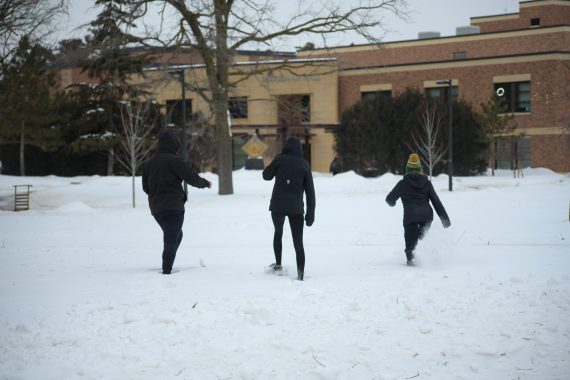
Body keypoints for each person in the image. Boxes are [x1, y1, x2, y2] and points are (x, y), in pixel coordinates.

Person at [142, 130, 211, 274]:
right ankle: (166, 271)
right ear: (174, 145)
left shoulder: (148, 163)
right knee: (171, 239)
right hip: (173, 208)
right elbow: (192, 178)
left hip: (156, 209)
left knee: (176, 236)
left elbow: (145, 187)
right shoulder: (174, 161)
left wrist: (156, 196)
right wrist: (205, 183)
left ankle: (168, 262)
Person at [262, 137, 315, 281]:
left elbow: (266, 176)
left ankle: (278, 264)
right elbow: (310, 192)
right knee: (298, 242)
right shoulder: (304, 164)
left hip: (277, 206)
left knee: (278, 233)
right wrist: (311, 214)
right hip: (296, 208)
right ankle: (300, 275)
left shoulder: (280, 160)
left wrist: (277, 160)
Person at [386, 153, 451, 266]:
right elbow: (436, 202)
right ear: (420, 169)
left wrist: (392, 203)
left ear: (407, 169)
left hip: (410, 217)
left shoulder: (402, 184)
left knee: (411, 240)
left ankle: (411, 260)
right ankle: (427, 257)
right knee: (422, 239)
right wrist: (445, 220)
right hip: (426, 216)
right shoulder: (427, 183)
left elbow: (389, 199)